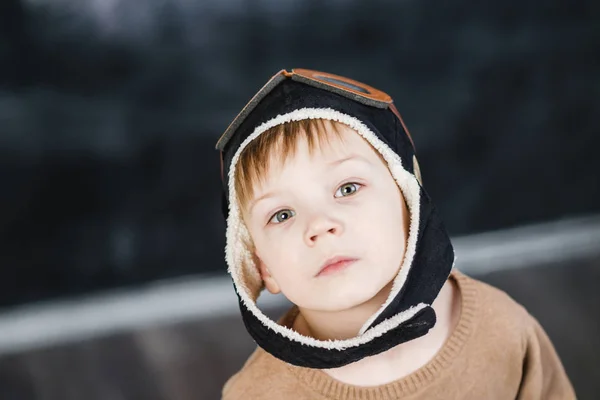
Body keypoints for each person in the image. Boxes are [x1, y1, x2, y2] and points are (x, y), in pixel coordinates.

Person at [215, 69, 575, 399]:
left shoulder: (503, 331)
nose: (319, 225)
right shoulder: (257, 394)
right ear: (262, 267)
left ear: (410, 205)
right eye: (282, 214)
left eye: (347, 188)